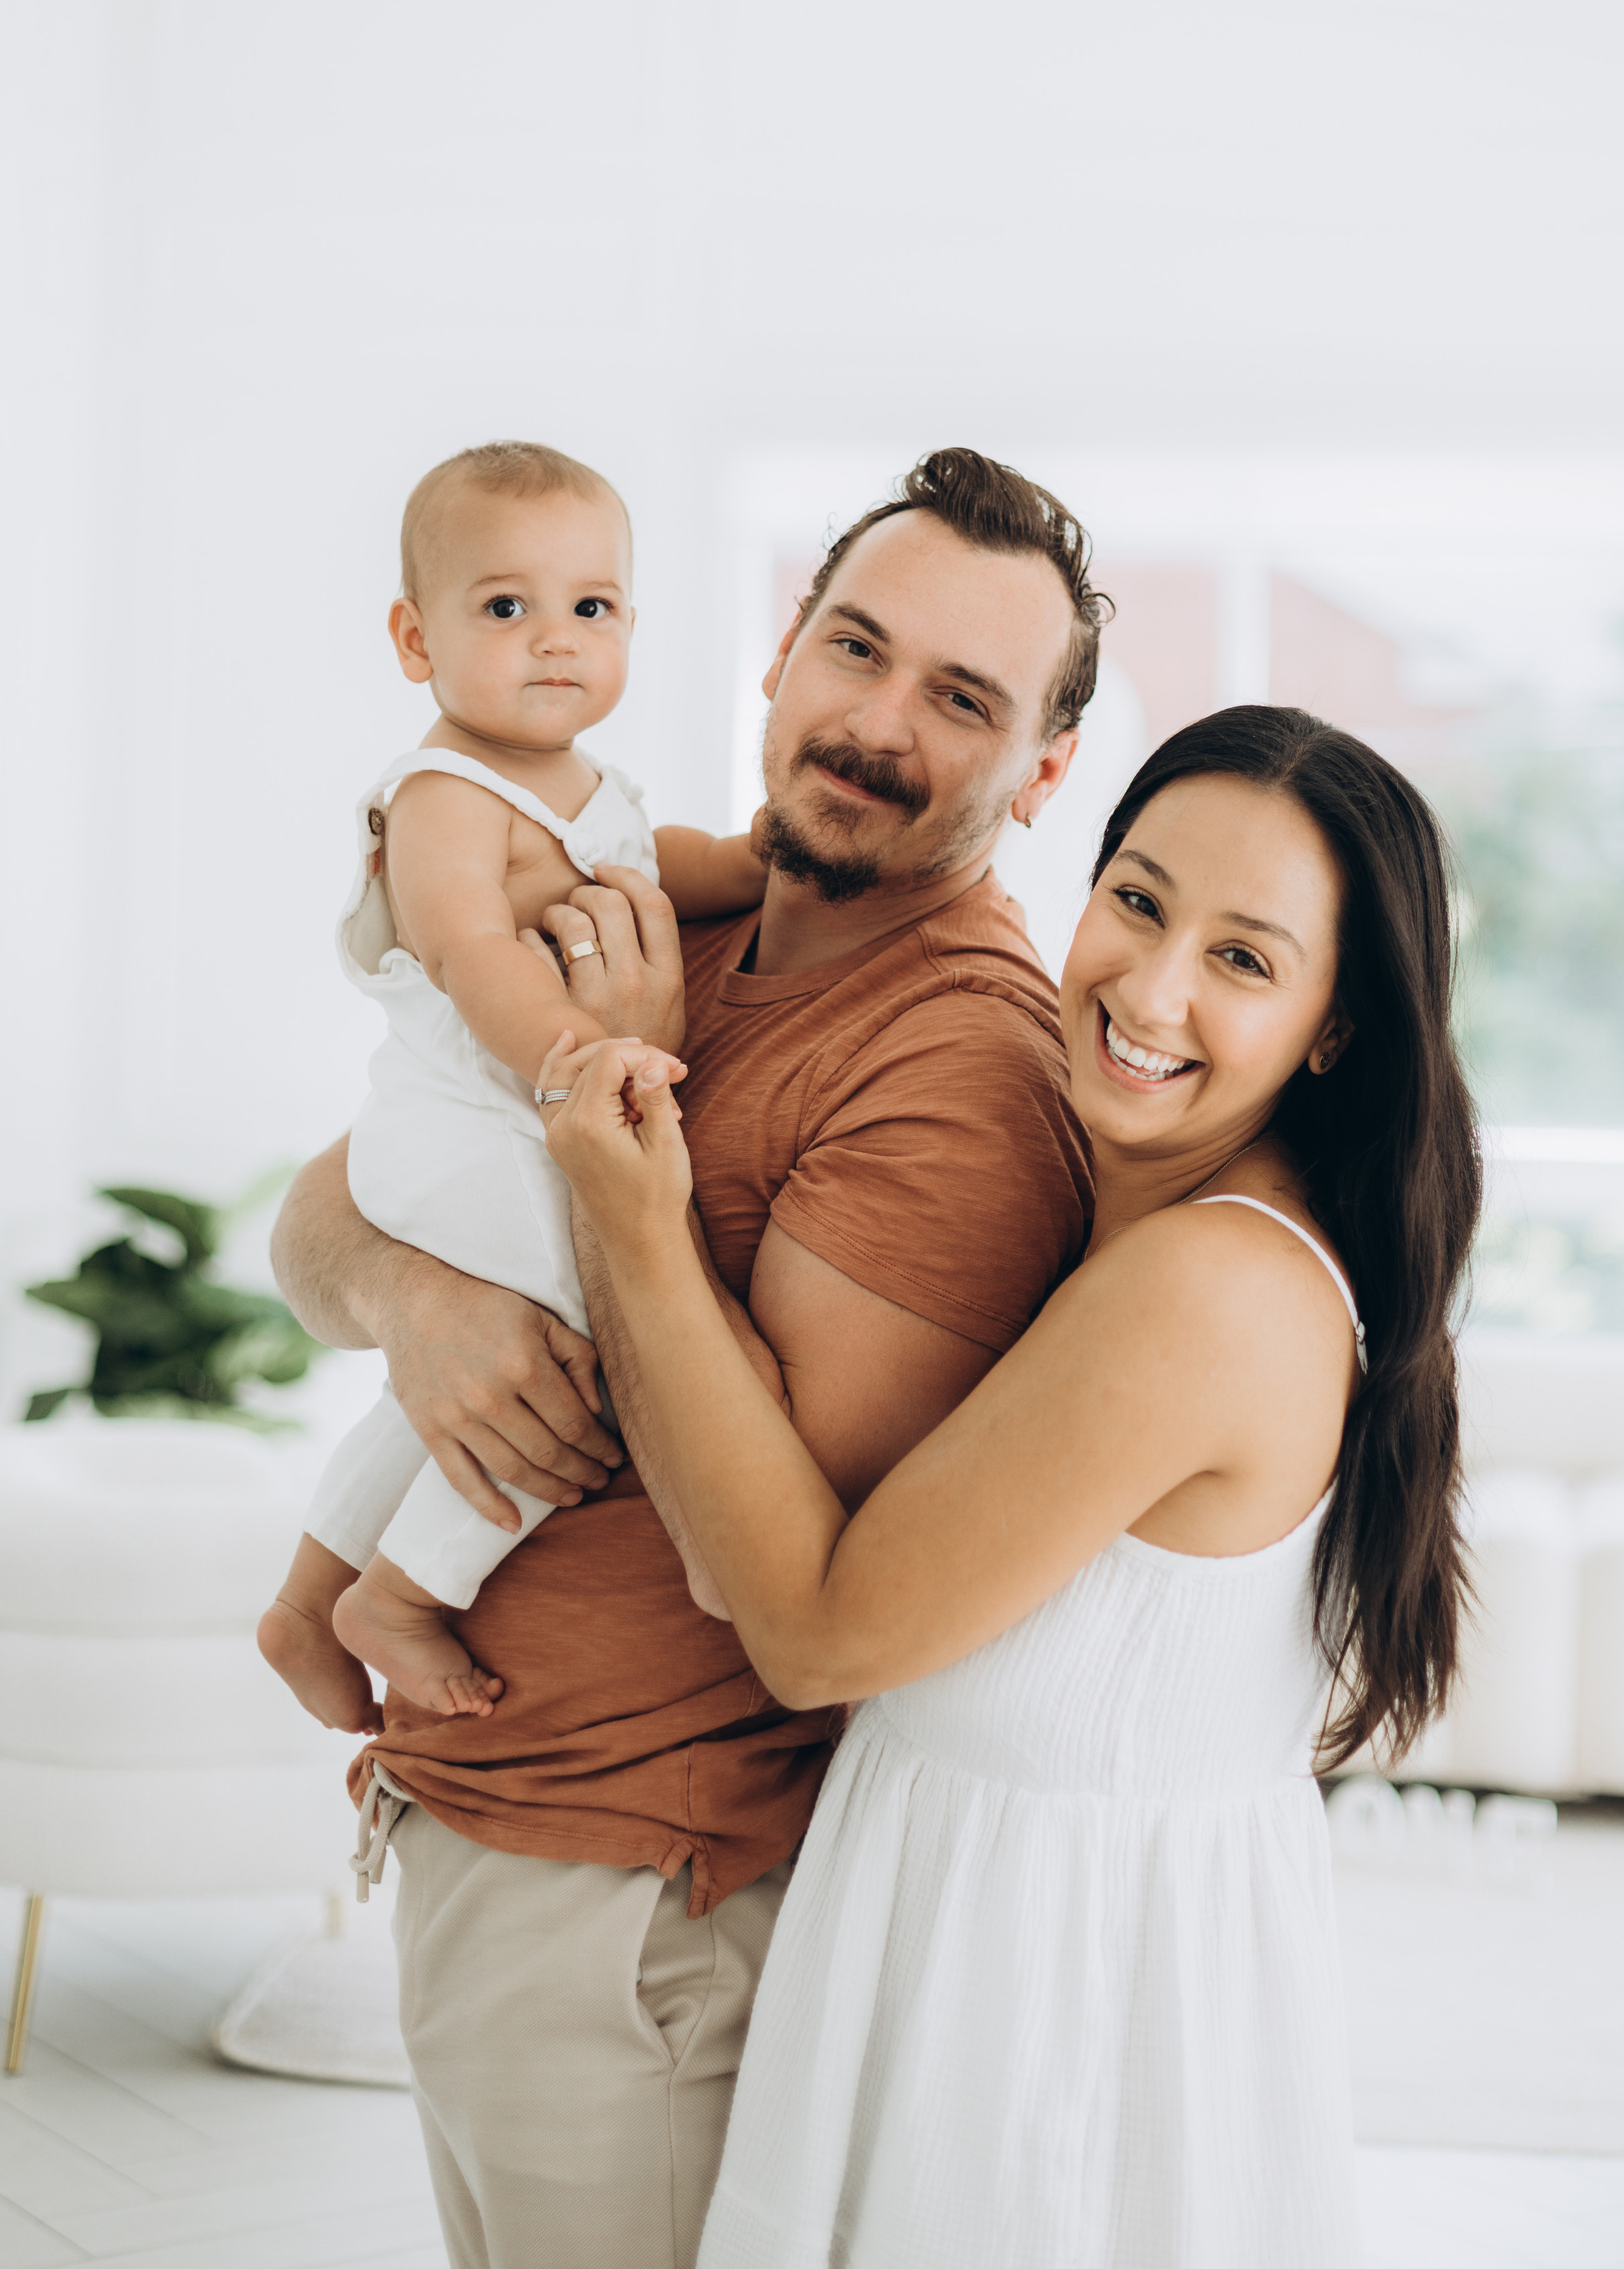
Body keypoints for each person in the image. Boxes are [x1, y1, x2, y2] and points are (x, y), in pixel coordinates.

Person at [268, 448, 1100, 2269]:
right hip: (483, 1831)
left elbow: (767, 1572)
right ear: (780, 650)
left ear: (1043, 769)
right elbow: (320, 1227)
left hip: (640, 1910)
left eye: (962, 700)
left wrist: (597, 1144)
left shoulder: (962, 1066)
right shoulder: (662, 905)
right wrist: (420, 1302)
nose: (876, 723)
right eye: (856, 648)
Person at [537, 703, 1481, 2269]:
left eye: (1243, 960)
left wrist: (636, 1220)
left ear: (1335, 1028)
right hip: (993, 1972)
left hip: (1038, 2039)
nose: (1153, 989)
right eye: (1138, 901)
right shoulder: (1136, 1220)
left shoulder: (1205, 1289)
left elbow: (814, 1633)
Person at [259, 442, 762, 1734]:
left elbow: (656, 864)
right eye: (505, 606)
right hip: (454, 1133)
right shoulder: (443, 794)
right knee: (585, 1338)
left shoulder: (587, 783)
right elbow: (470, 951)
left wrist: (753, 863)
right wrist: (576, 1052)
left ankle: (309, 1601)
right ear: (414, 638)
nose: (555, 639)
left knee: (443, 1389)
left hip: (500, 1133)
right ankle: (405, 1596)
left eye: (591, 607)